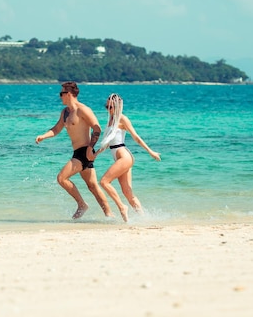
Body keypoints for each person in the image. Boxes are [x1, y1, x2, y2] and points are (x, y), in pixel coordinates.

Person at [35, 82, 116, 220]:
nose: (60, 96)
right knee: (92, 186)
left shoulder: (82, 110)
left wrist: (90, 149)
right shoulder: (65, 112)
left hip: (84, 151)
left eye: (61, 94)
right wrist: (43, 136)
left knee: (61, 178)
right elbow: (56, 129)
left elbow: (97, 129)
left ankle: (82, 204)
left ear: (68, 94)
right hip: (77, 152)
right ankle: (109, 214)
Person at [93, 93, 161, 222]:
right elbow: (108, 143)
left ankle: (122, 207)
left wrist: (150, 152)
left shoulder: (122, 119)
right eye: (106, 107)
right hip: (118, 156)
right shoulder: (111, 119)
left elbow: (136, 137)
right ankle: (145, 219)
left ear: (117, 106)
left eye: (110, 107)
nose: (108, 109)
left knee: (104, 182)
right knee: (127, 192)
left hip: (124, 156)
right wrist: (96, 154)